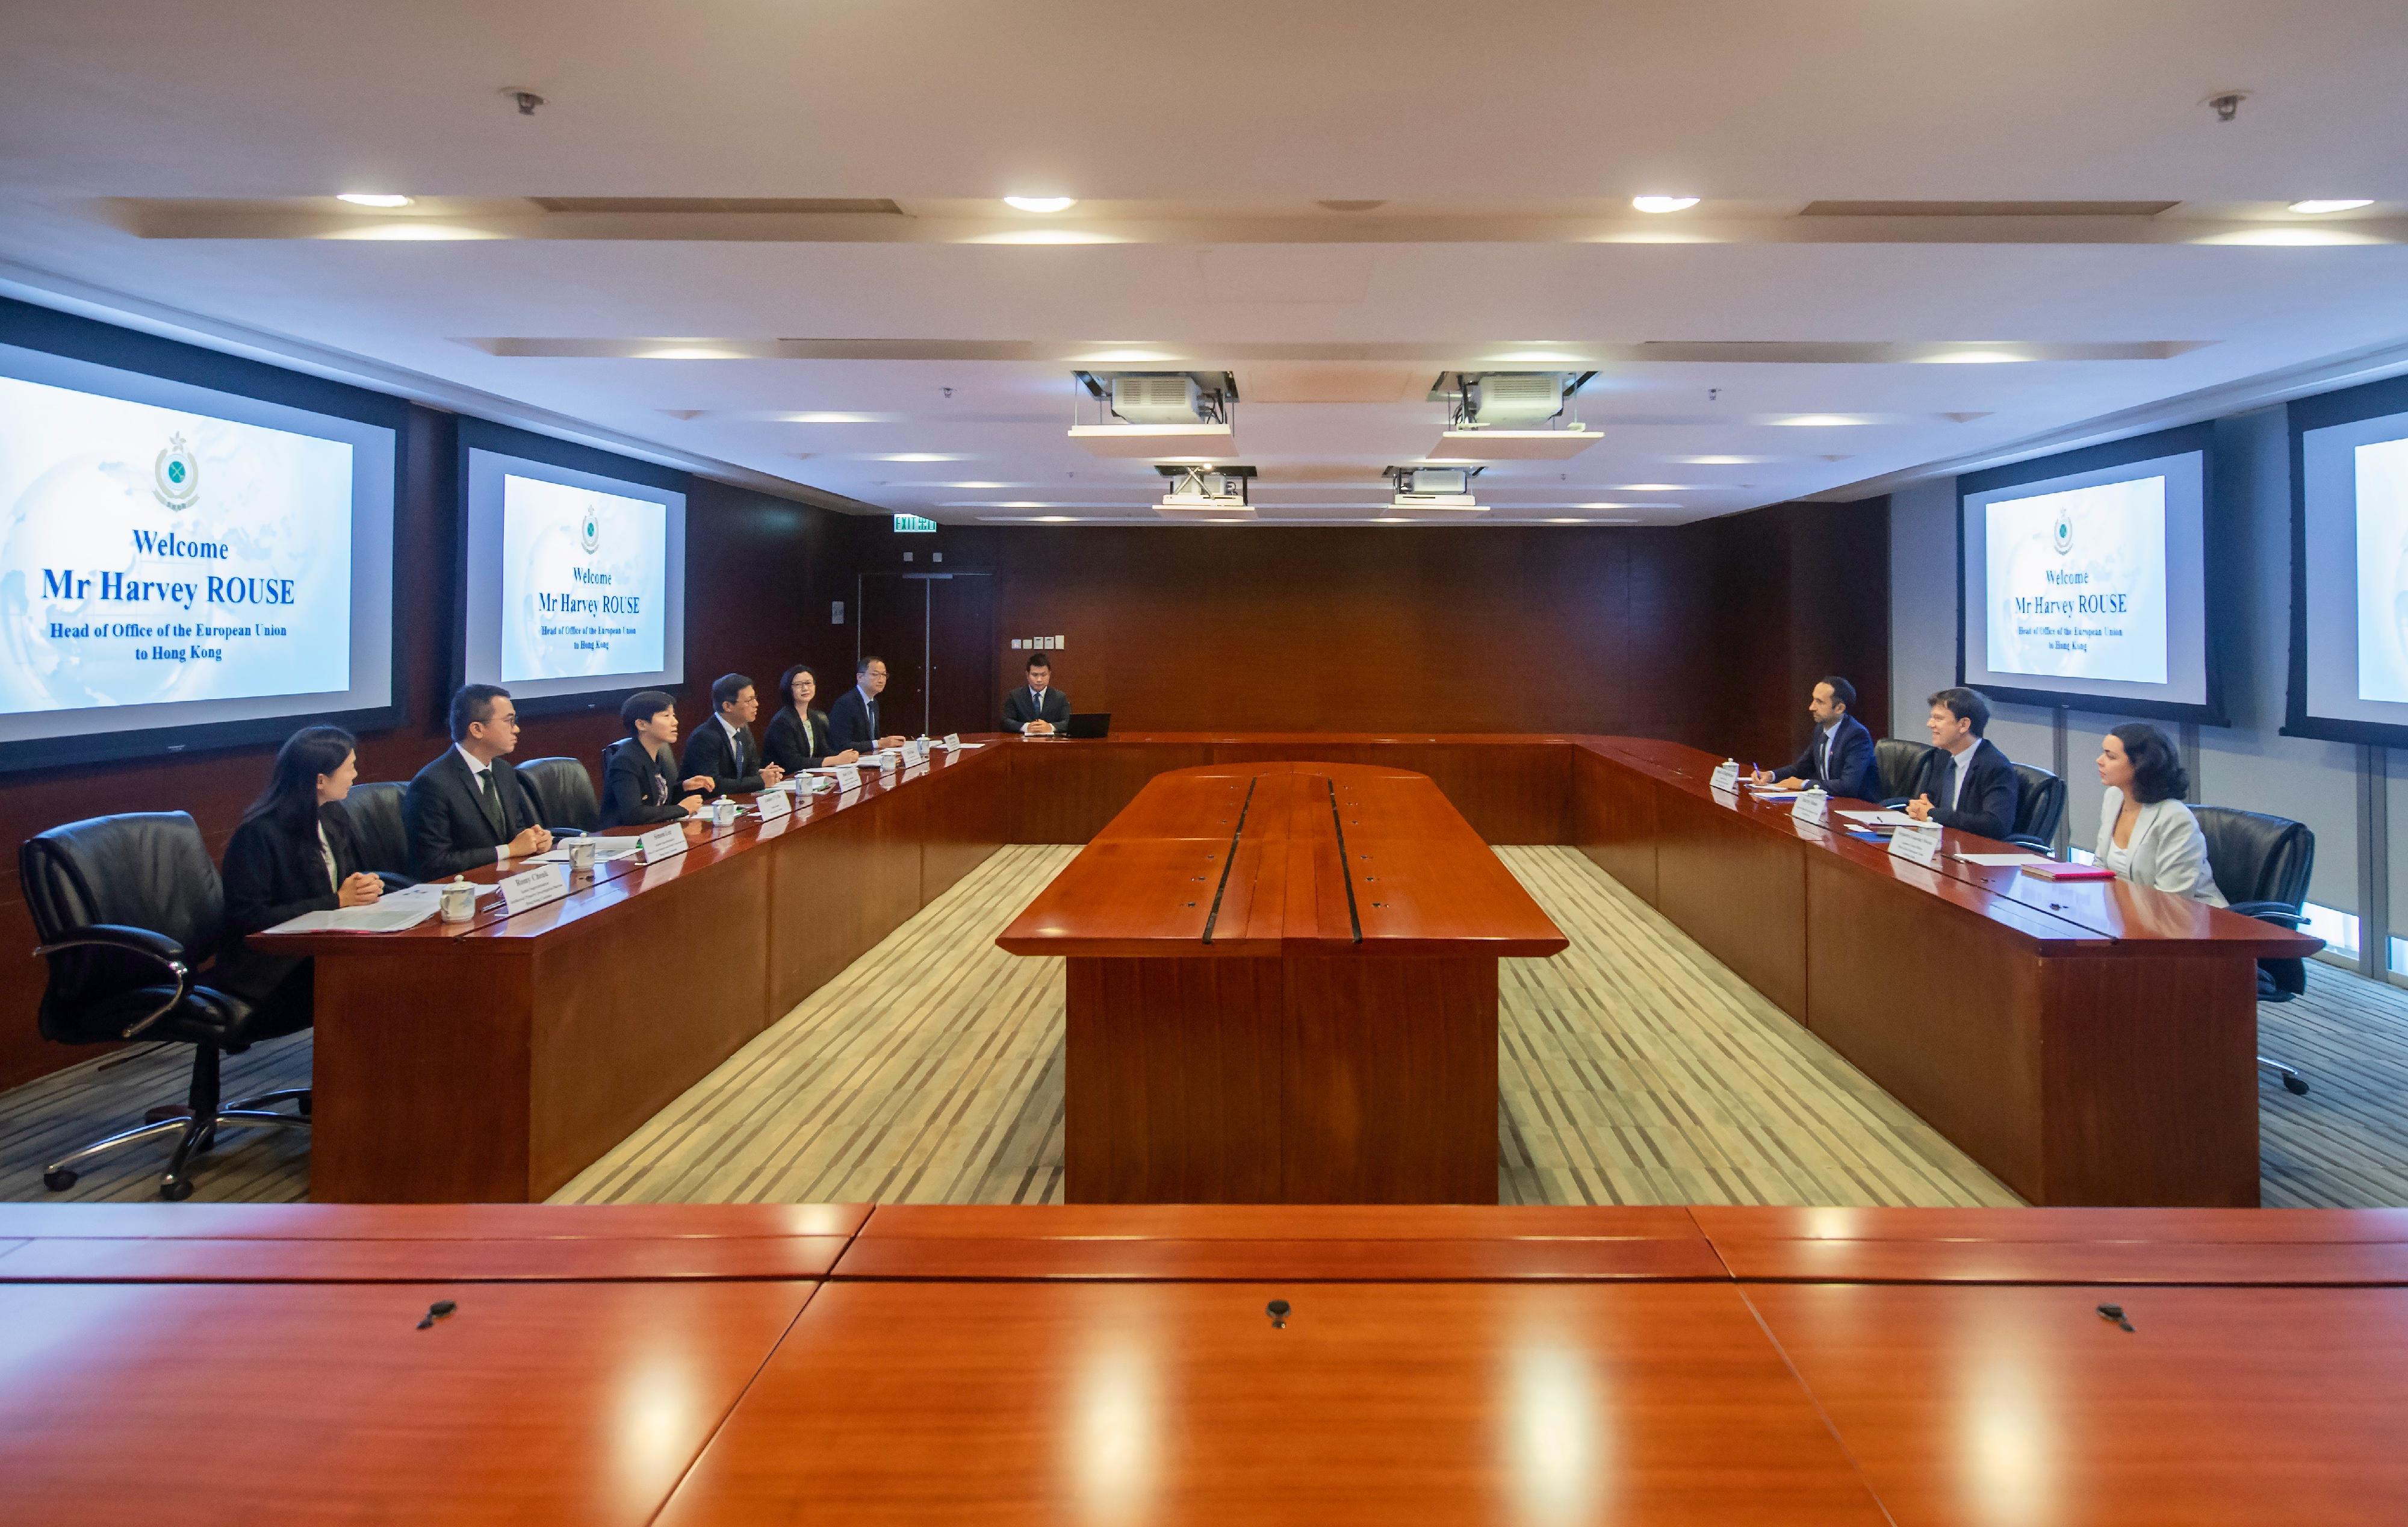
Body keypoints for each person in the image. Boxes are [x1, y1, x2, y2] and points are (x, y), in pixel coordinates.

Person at [216, 724, 383, 1019]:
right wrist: (338, 900)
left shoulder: (332, 813)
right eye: (350, 768)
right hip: (271, 966)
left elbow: (345, 882)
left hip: (322, 944)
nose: (356, 776)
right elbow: (249, 919)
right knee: (375, 979)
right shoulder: (259, 833)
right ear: (321, 779)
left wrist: (364, 886)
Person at [403, 682, 553, 878]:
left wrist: (535, 840)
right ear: (477, 729)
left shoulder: (504, 772)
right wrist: (509, 850)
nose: (516, 729)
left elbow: (515, 834)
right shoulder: (432, 784)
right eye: (508, 721)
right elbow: (435, 863)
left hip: (505, 883)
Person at [2094, 723, 2227, 905]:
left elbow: (2174, 899)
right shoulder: (2114, 798)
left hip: (2188, 921)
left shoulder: (2175, 818)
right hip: (2129, 914)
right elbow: (2100, 866)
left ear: (2141, 765)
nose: (2099, 760)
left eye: (2111, 756)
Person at [1902, 686, 2019, 838]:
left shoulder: (1996, 767)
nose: (1930, 724)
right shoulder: (1943, 757)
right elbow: (1928, 800)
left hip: (1973, 851)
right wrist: (1917, 808)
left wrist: (1932, 814)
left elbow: (1995, 825)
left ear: (1963, 725)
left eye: (1939, 718)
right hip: (1939, 842)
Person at [600, 690, 711, 829]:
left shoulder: (657, 754)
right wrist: (681, 809)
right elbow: (634, 814)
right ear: (641, 724)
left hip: (653, 833)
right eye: (666, 716)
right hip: (622, 838)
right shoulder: (625, 760)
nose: (675, 722)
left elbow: (657, 800)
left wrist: (684, 786)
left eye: (673, 715)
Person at [1753, 675, 1878, 798]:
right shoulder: (1820, 730)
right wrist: (1771, 775)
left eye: (1820, 702)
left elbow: (1848, 786)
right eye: (1813, 700)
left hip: (1858, 808)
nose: (1811, 707)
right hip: (1829, 803)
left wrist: (1804, 784)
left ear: (1840, 708)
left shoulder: (1856, 736)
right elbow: (1802, 768)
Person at [682, 672, 786, 797]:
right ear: (727, 706)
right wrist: (759, 781)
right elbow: (712, 785)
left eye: (755, 698)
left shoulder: (743, 730)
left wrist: (766, 775)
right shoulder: (705, 737)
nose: (756, 704)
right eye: (749, 700)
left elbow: (750, 773)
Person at [763, 664, 860, 773]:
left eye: (808, 683)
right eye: (798, 685)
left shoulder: (814, 717)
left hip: (807, 777)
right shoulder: (782, 721)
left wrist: (845, 756)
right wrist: (836, 760)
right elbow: (794, 762)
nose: (805, 688)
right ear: (788, 688)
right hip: (785, 779)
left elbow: (823, 750)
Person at [827, 655, 909, 754]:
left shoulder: (873, 703)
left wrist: (886, 742)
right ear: (860, 677)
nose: (881, 679)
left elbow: (872, 739)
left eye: (884, 675)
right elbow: (842, 745)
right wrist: (880, 743)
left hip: (870, 759)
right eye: (875, 674)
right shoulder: (845, 704)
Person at [1002, 652, 1072, 735]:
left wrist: (1050, 727)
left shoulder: (1060, 697)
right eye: (1035, 675)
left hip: (1051, 744)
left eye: (1043, 675)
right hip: (1022, 744)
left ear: (1049, 674)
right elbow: (1005, 721)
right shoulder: (1015, 696)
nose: (1039, 680)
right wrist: (1026, 727)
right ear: (1027, 675)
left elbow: (1068, 722)